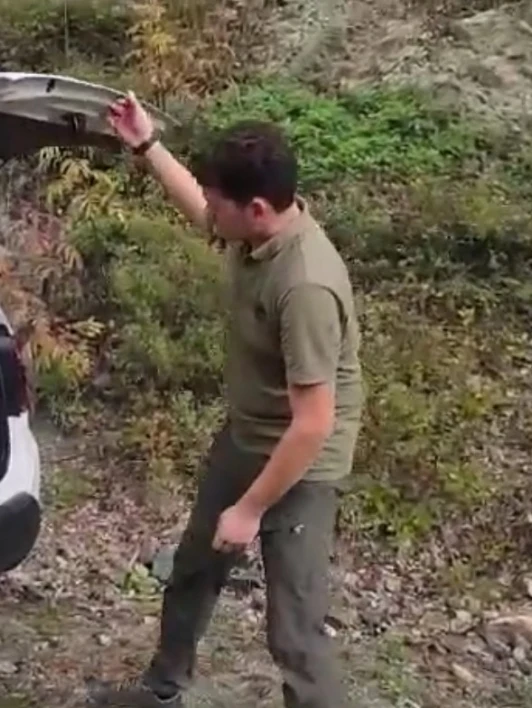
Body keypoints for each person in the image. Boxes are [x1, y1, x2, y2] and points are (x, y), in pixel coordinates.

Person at [87, 93, 364, 708]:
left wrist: (251, 509)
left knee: (294, 629)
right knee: (193, 570)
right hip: (248, 435)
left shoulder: (306, 285)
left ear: (257, 209)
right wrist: (147, 144)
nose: (210, 211)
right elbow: (198, 208)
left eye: (221, 203)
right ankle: (163, 692)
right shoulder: (257, 233)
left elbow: (314, 423)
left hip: (301, 464)